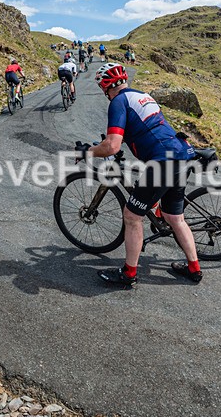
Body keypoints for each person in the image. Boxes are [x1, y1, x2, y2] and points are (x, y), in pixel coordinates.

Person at [82, 63, 201, 286]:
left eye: (102, 88)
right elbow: (148, 128)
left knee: (132, 215)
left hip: (162, 163)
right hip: (179, 156)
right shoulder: (142, 96)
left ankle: (128, 274)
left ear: (106, 86)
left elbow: (112, 146)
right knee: (175, 218)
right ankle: (194, 269)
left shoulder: (118, 101)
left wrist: (87, 152)